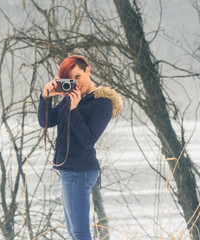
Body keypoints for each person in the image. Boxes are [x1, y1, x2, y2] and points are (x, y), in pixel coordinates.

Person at [38, 55, 123, 239]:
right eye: (71, 79)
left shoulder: (102, 103)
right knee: (73, 232)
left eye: (78, 76)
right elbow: (47, 121)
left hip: (80, 171)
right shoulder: (71, 98)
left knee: (80, 233)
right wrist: (45, 97)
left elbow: (88, 139)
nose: (76, 83)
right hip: (69, 170)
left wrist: (74, 109)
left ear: (88, 71)